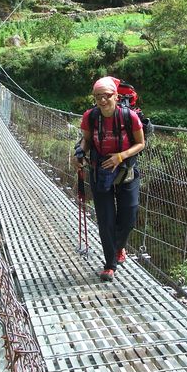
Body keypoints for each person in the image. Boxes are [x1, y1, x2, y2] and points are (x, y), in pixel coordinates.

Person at [75, 76, 145, 281]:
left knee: (129, 216)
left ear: (115, 95)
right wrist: (79, 153)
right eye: (98, 97)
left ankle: (120, 246)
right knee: (105, 220)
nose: (102, 100)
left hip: (125, 170)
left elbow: (141, 144)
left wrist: (120, 156)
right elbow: (86, 140)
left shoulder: (129, 116)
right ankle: (109, 264)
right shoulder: (90, 116)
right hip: (100, 171)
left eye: (106, 96)